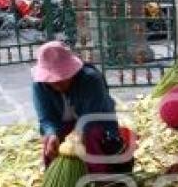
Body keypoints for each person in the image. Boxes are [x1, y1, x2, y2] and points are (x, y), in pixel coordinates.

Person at [31, 41, 133, 172]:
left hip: (94, 126)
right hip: (64, 127)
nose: (57, 84)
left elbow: (92, 118)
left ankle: (100, 178)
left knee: (91, 136)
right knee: (49, 142)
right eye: (52, 81)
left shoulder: (90, 79)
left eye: (62, 78)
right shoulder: (40, 85)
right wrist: (52, 134)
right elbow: (46, 119)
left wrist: (76, 137)